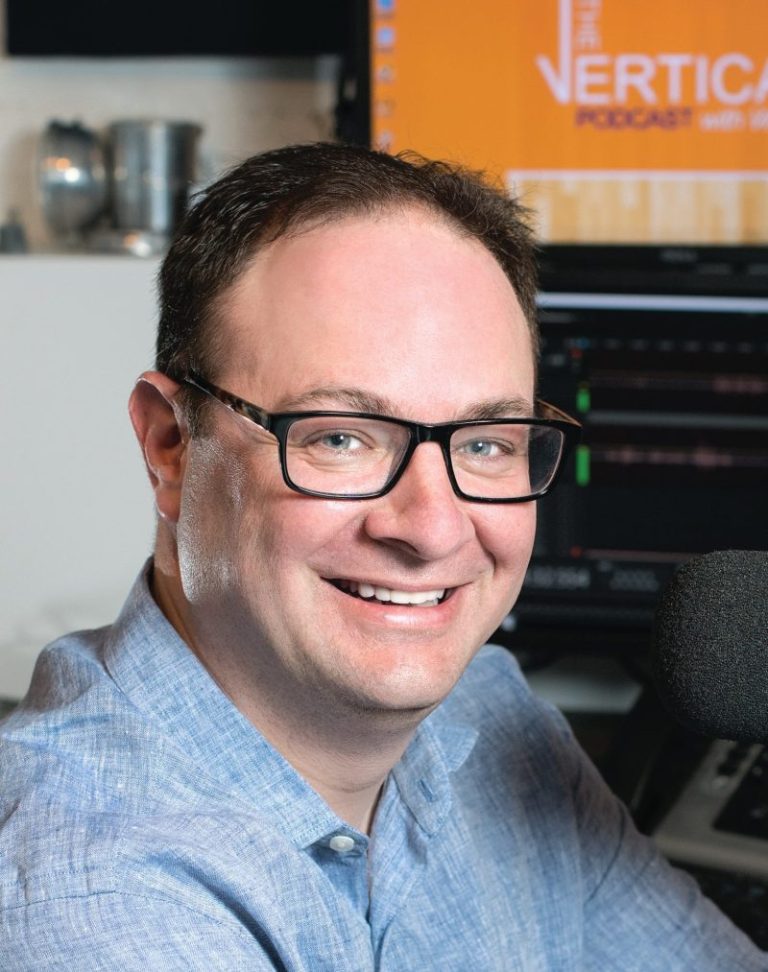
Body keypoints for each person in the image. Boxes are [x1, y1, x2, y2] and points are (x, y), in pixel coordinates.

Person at [0, 143, 763, 971]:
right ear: (170, 446)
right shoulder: (95, 900)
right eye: (340, 437)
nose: (432, 529)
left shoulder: (490, 713)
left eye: (486, 443)